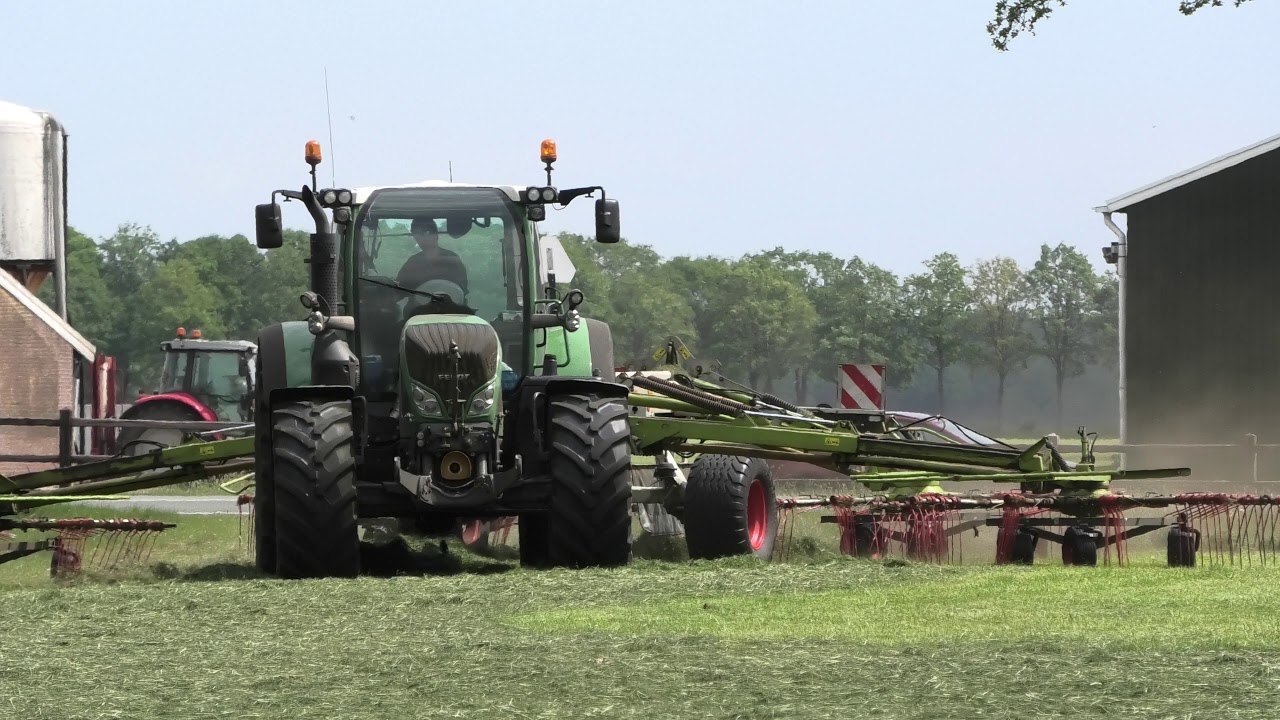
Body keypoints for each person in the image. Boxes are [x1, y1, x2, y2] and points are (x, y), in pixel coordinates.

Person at [396, 217, 469, 293]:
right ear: (415, 237)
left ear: (436, 235)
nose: (426, 237)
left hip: (449, 304)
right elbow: (399, 290)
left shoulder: (452, 260)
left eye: (428, 232)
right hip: (418, 304)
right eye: (420, 234)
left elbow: (462, 290)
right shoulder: (412, 263)